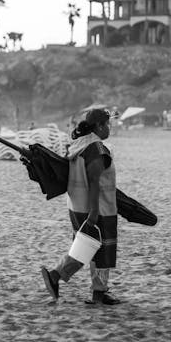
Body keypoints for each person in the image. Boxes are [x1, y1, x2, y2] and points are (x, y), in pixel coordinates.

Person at [41, 107, 120, 306]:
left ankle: (96, 291)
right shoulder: (96, 148)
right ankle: (58, 276)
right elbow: (95, 182)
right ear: (99, 126)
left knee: (86, 248)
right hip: (97, 207)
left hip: (76, 204)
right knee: (99, 250)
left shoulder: (77, 145)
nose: (109, 129)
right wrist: (94, 212)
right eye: (107, 125)